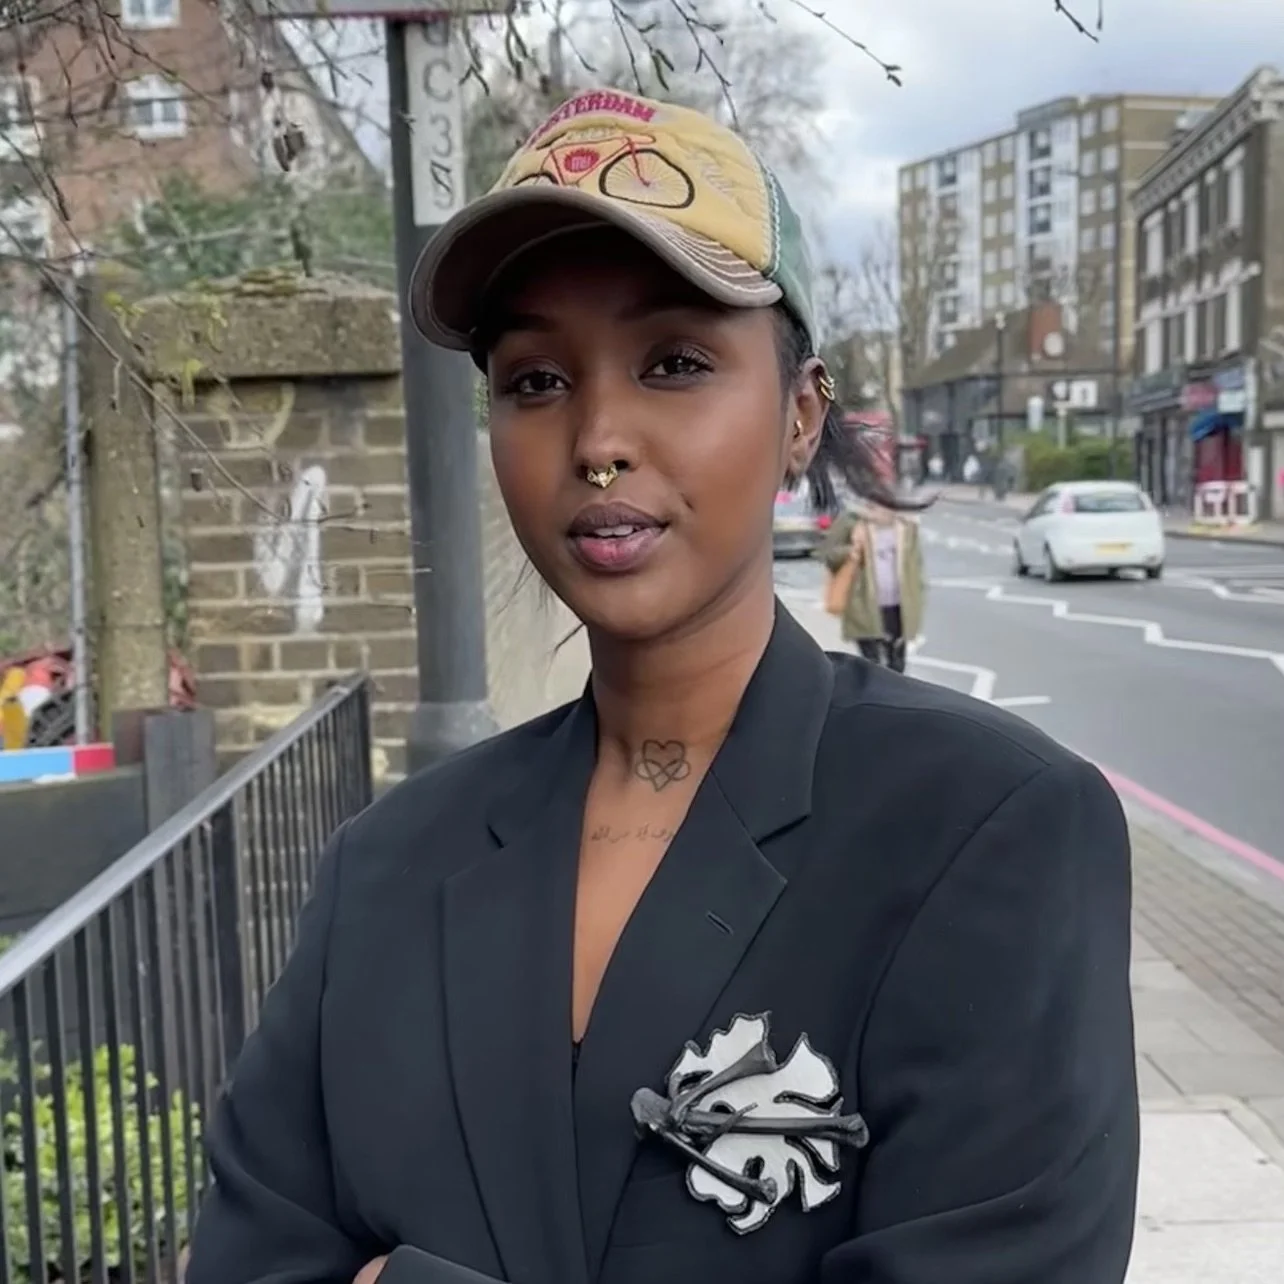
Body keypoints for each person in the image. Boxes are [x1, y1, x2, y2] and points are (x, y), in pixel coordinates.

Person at [185, 88, 1139, 1284]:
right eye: (535, 380)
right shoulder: (386, 868)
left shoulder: (989, 830)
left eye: (675, 361)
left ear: (801, 414)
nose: (598, 437)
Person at [818, 499, 924, 672]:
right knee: (872, 662)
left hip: (899, 606)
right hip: (863, 604)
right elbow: (827, 554)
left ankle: (892, 697)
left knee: (897, 663)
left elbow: (915, 567)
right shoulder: (851, 524)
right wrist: (852, 551)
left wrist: (918, 596)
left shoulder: (907, 527)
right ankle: (876, 695)